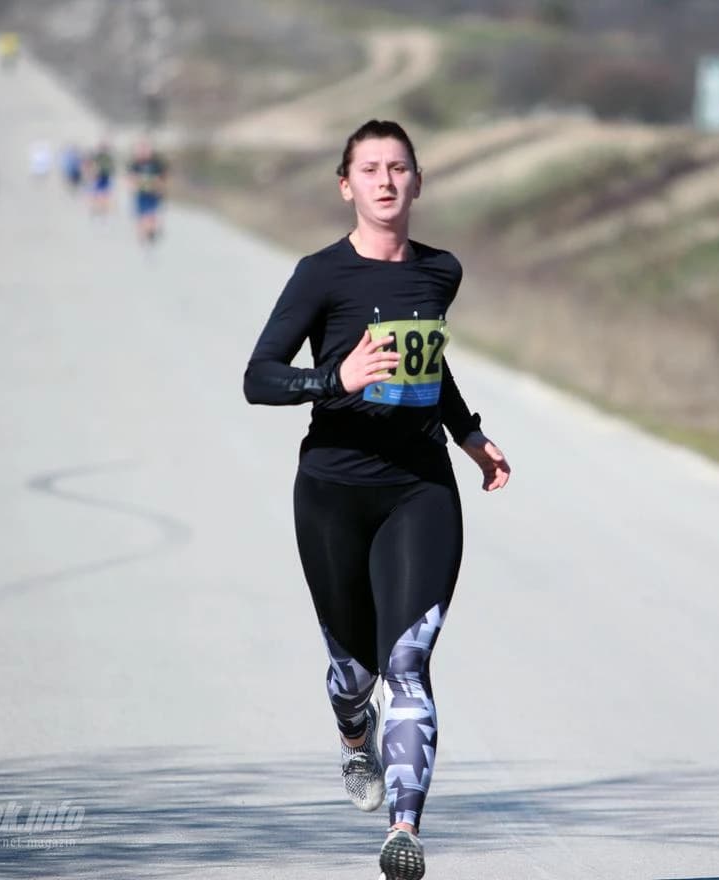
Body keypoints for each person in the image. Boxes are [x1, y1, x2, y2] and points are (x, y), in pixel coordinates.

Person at [243, 119, 511, 880]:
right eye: (370, 169)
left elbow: (430, 364)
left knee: (409, 664)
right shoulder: (320, 275)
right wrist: (335, 380)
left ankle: (404, 830)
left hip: (419, 488)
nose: (386, 181)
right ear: (346, 185)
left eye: (399, 168)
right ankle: (352, 731)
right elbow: (259, 376)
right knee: (355, 673)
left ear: (418, 182)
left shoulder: (441, 272)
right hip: (332, 488)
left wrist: (468, 434)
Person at [126, 138, 167, 245]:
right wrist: (132, 187)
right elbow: (131, 177)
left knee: (151, 215)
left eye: (146, 149)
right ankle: (143, 237)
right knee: (141, 216)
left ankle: (151, 234)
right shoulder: (136, 163)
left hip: (153, 193)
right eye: (142, 150)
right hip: (141, 193)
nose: (144, 152)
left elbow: (162, 178)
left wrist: (160, 189)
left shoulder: (156, 163)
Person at [85, 140, 115, 218]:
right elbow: (90, 165)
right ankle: (97, 209)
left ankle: (102, 210)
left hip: (105, 177)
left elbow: (111, 168)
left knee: (103, 194)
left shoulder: (107, 157)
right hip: (98, 177)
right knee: (96, 194)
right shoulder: (97, 156)